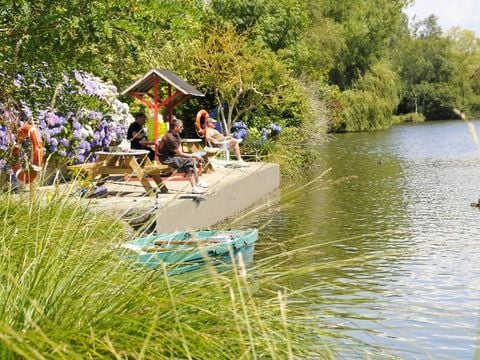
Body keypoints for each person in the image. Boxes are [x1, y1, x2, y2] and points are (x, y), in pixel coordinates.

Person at [158, 118, 209, 194]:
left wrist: (189, 155)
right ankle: (196, 184)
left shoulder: (176, 134)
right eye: (181, 127)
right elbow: (180, 153)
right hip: (166, 158)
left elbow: (180, 146)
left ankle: (195, 186)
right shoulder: (170, 137)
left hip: (173, 156)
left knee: (190, 162)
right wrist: (194, 155)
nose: (183, 128)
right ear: (176, 127)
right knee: (191, 160)